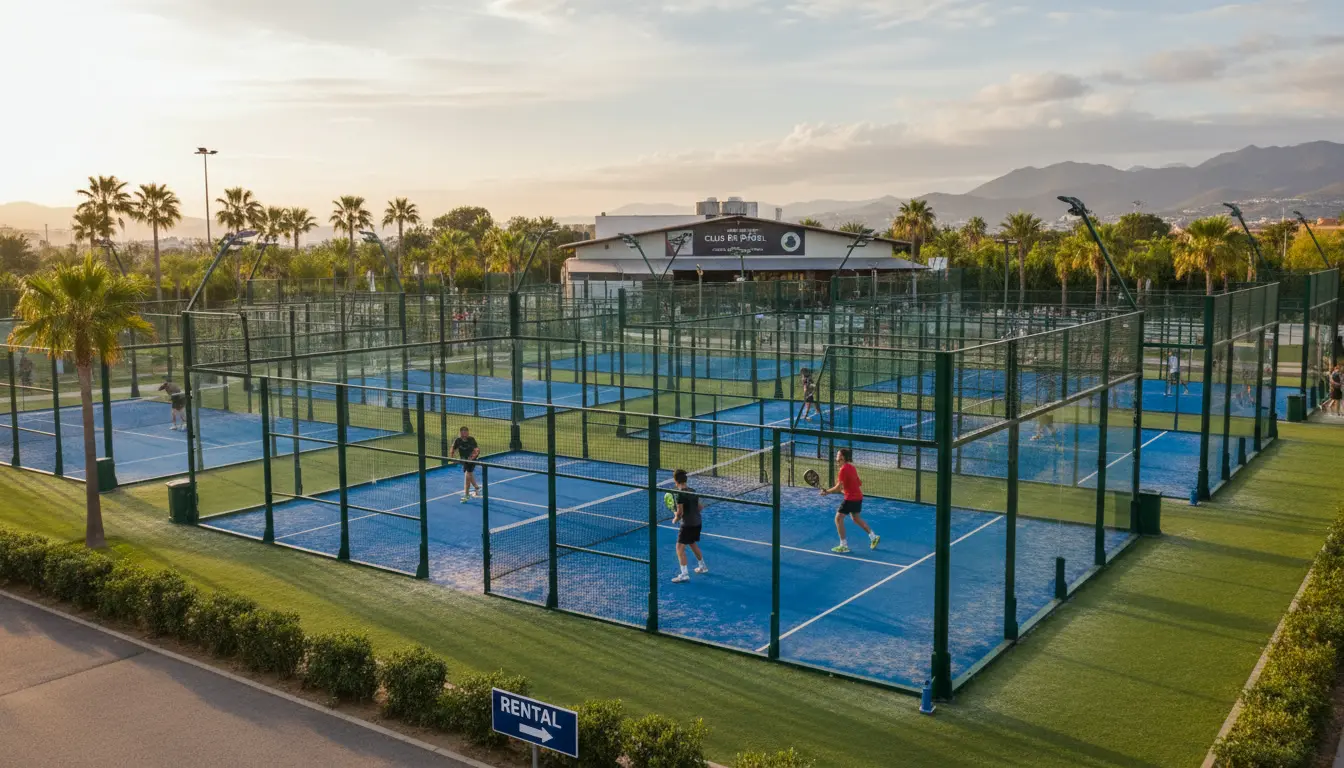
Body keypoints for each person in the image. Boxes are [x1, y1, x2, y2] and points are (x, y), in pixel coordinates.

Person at [820, 448, 878, 554]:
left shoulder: (843, 470)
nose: (836, 456)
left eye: (838, 454)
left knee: (838, 518)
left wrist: (826, 492)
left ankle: (843, 545)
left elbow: (838, 487)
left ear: (842, 457)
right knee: (856, 518)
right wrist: (846, 489)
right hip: (858, 497)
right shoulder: (852, 467)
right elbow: (858, 483)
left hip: (851, 498)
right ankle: (873, 536)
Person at [669, 469, 708, 584]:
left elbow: (680, 513)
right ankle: (703, 567)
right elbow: (700, 507)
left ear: (675, 480)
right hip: (697, 523)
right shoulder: (693, 491)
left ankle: (684, 574)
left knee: (679, 548)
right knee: (692, 543)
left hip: (688, 525)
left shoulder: (679, 494)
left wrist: (675, 518)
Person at [450, 426, 481, 502]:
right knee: (469, 475)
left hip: (471, 460)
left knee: (467, 476)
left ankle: (466, 495)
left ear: (468, 433)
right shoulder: (458, 440)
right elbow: (452, 448)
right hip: (464, 461)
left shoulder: (471, 439)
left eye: (466, 432)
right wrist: (452, 457)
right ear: (460, 433)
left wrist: (473, 457)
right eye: (463, 433)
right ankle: (476, 487)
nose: (464, 434)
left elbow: (477, 450)